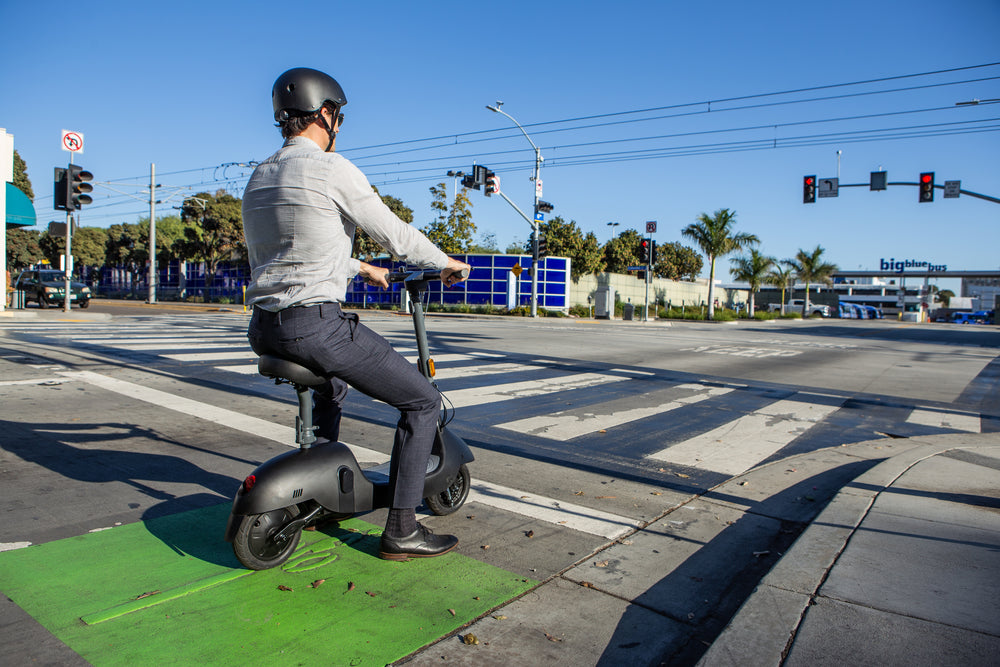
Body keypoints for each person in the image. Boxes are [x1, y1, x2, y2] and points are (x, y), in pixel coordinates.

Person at [242, 67, 470, 560]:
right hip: (315, 327)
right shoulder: (331, 168)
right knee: (422, 403)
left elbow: (291, 250)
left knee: (334, 385)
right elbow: (397, 235)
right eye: (337, 114)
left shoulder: (260, 176)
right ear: (325, 113)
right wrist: (448, 263)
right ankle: (403, 529)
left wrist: (361, 267)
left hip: (264, 327)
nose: (338, 123)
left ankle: (318, 490)